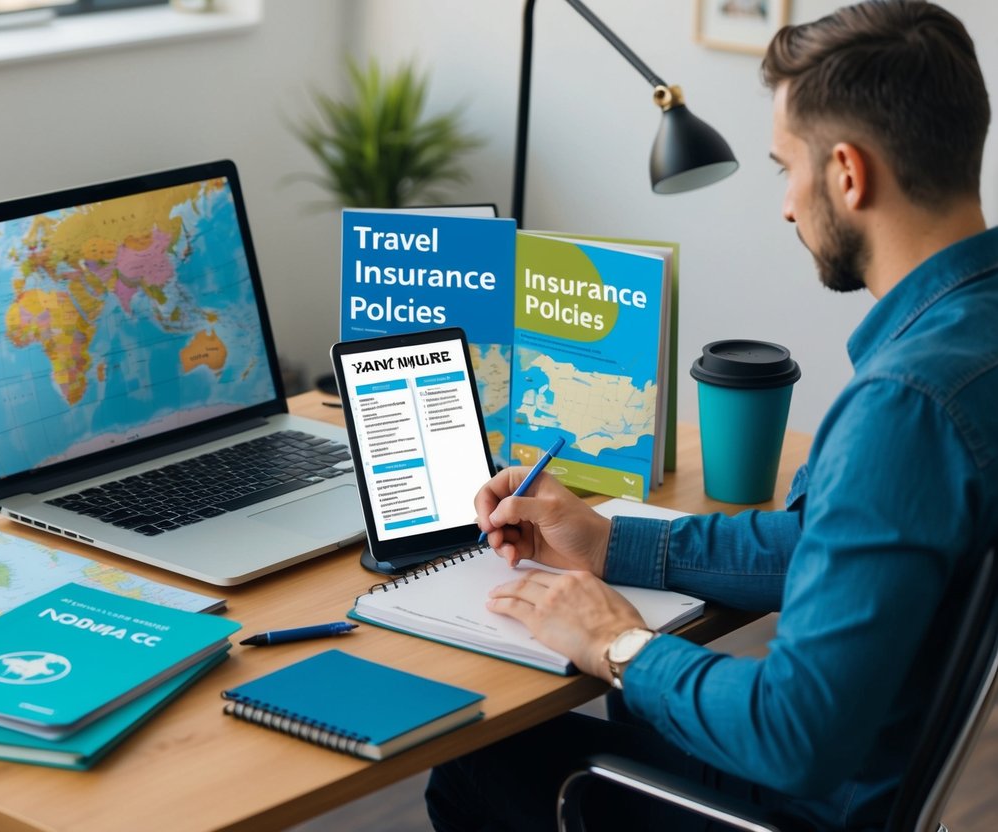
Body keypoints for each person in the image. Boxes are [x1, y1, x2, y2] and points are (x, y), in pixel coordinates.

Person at [425, 1, 998, 829]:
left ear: (846, 172)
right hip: (870, 783)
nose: (786, 207)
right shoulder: (969, 338)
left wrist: (620, 645)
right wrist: (612, 542)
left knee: (480, 768)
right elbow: (828, 544)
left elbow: (793, 733)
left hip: (814, 805)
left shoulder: (903, 407)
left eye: (783, 169)